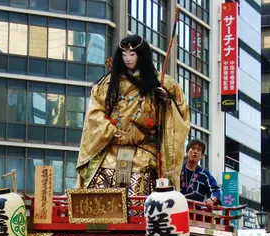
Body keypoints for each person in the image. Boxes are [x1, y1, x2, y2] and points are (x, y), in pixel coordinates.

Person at [76, 34, 190, 195]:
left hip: (144, 148)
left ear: (141, 56)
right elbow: (95, 112)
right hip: (112, 146)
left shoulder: (163, 83)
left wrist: (167, 104)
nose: (127, 59)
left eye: (132, 54)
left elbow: (182, 115)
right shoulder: (108, 83)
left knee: (139, 183)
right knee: (98, 183)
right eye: (124, 55)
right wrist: (111, 130)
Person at [180, 139, 221, 207]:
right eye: (193, 148)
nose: (195, 151)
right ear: (187, 152)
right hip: (176, 210)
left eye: (198, 150)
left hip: (196, 214)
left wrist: (212, 199)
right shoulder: (178, 170)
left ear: (201, 156)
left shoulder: (205, 174)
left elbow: (216, 189)